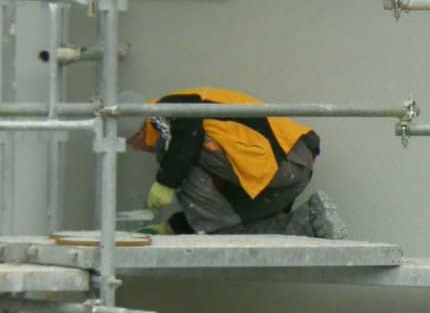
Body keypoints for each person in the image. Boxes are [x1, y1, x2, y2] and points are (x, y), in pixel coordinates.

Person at [126, 87, 347, 238]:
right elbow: (214, 204)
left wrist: (166, 182)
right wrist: (169, 228)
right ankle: (311, 219)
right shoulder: (217, 151)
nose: (135, 150)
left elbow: (186, 138)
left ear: (136, 134)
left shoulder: (162, 112)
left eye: (131, 145)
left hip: (276, 161)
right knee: (239, 229)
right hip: (294, 166)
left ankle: (213, 231)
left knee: (171, 152)